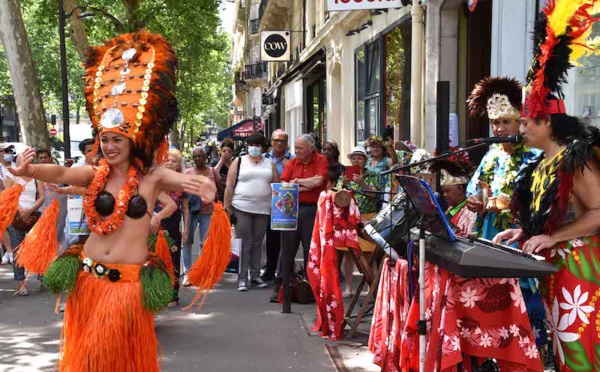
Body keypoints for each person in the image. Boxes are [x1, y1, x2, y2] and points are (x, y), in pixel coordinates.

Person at [3, 31, 222, 371]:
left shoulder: (151, 177)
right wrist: (29, 168)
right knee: (87, 360)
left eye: (117, 140)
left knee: (114, 359)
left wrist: (202, 187)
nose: (109, 146)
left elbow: (185, 182)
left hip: (127, 285)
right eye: (105, 140)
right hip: (88, 279)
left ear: (133, 141)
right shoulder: (95, 174)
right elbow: (60, 173)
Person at [493, 3, 600, 369]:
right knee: (562, 348)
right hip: (555, 269)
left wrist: (554, 238)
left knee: (581, 348)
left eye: (526, 123)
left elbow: (598, 213)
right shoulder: (541, 164)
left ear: (548, 122)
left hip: (581, 269)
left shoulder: (577, 158)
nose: (520, 130)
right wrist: (523, 230)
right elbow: (550, 217)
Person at [465, 76, 547, 349]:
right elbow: (473, 191)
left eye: (506, 122)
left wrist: (513, 204)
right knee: (493, 291)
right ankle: (494, 348)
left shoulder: (534, 155)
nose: (499, 129)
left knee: (523, 292)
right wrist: (474, 201)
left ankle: (532, 348)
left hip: (519, 236)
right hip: (489, 234)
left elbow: (542, 200)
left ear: (518, 123)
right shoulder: (490, 156)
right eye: (495, 123)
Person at [270, 134, 328, 302]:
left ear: (310, 148)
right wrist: (300, 185)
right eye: (295, 148)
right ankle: (280, 286)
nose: (296, 151)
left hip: (311, 210)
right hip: (291, 208)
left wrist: (296, 183)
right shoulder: (293, 162)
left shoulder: (320, 160)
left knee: (310, 248)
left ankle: (312, 287)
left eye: (300, 148)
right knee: (287, 249)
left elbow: (318, 182)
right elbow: (284, 186)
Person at [224, 133, 279, 291]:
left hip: (263, 209)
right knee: (245, 243)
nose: (254, 148)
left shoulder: (270, 164)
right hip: (241, 207)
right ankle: (242, 278)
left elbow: (276, 186)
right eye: (251, 145)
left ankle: (255, 276)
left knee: (257, 243)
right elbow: (229, 185)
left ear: (263, 147)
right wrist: (227, 207)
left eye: (257, 145)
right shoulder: (239, 161)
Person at [336, 146, 380, 297]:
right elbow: (337, 196)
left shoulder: (373, 175)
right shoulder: (344, 175)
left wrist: (363, 184)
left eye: (360, 158)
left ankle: (370, 287)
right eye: (353, 158)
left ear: (366, 161)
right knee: (349, 254)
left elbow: (375, 195)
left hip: (368, 216)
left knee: (369, 253)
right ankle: (348, 288)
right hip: (349, 217)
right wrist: (345, 185)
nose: (356, 160)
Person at [181, 146, 222, 286]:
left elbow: (219, 190)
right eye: (195, 156)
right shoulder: (188, 172)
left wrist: (220, 208)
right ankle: (188, 272)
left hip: (208, 211)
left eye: (200, 156)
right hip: (191, 211)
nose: (198, 158)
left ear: (206, 158)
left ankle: (202, 272)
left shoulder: (212, 172)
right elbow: (183, 193)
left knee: (205, 244)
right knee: (187, 241)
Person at [153, 148, 187, 306]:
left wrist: (187, 227)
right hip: (155, 224)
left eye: (173, 161)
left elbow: (185, 207)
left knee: (173, 258)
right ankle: (158, 292)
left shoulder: (182, 182)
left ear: (179, 165)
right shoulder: (155, 181)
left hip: (173, 224)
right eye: (167, 160)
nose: (169, 163)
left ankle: (173, 294)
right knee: (156, 258)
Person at [261, 129, 294, 282]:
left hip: (287, 204)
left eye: (283, 141)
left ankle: (286, 271)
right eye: (276, 140)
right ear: (272, 142)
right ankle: (270, 269)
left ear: (287, 143)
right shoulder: (263, 159)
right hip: (268, 202)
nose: (279, 143)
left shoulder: (293, 160)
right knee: (271, 238)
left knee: (287, 239)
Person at [0, 143, 15, 264]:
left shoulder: (16, 166)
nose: (8, 153)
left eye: (10, 151)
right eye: (5, 151)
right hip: (2, 201)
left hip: (15, 201)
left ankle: (12, 251)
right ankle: (9, 251)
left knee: (15, 227)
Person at [214, 137, 234, 202]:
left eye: (229, 151)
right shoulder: (215, 161)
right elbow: (213, 174)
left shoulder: (235, 164)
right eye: (224, 151)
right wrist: (221, 160)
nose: (226, 153)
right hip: (219, 195)